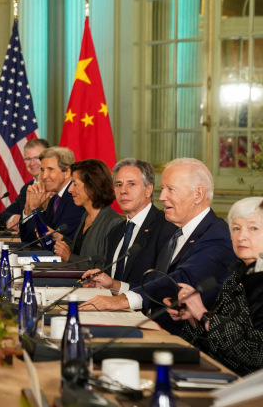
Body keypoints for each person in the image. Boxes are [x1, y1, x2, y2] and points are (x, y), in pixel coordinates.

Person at [81, 158, 237, 333]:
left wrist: (122, 300)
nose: (162, 197)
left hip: (190, 342)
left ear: (198, 195)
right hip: (158, 331)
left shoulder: (218, 235)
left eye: (171, 189)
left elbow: (180, 281)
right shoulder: (178, 233)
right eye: (162, 189)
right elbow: (156, 283)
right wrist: (116, 286)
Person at [165, 197, 263, 376]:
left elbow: (258, 351)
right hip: (212, 368)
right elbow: (222, 337)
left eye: (253, 228)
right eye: (236, 228)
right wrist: (194, 318)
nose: (241, 236)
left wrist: (203, 314)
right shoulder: (239, 272)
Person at [80, 158, 176, 290]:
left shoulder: (165, 227)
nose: (123, 191)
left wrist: (115, 286)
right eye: (119, 184)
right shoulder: (116, 231)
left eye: (131, 184)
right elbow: (112, 279)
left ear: (148, 189)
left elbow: (161, 285)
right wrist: (103, 285)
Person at [52, 159, 123, 268]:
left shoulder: (113, 222)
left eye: (75, 184)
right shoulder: (86, 215)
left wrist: (69, 257)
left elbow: (106, 267)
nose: (70, 189)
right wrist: (61, 239)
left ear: (92, 186)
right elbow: (83, 251)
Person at [20, 146, 85, 242]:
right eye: (42, 170)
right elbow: (28, 239)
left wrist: (36, 209)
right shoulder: (55, 199)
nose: (44, 176)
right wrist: (28, 207)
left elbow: (50, 242)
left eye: (50, 169)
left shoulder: (75, 199)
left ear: (67, 172)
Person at [0, 139, 50, 231]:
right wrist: (14, 218)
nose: (32, 163)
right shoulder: (27, 187)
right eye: (28, 159)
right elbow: (4, 214)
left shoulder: (53, 188)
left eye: (37, 158)